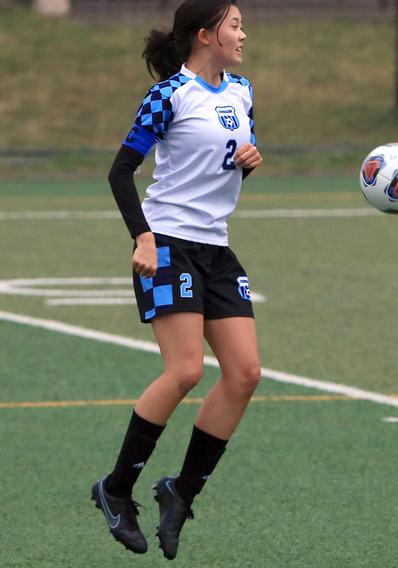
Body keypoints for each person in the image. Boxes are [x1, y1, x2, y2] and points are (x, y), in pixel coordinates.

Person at [91, 0, 263, 560]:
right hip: (166, 243)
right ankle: (115, 489)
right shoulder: (170, 94)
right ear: (205, 34)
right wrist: (142, 237)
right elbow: (121, 172)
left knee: (244, 374)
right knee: (186, 369)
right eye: (234, 24)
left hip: (216, 248)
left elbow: (220, 163)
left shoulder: (241, 92)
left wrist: (246, 159)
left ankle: (180, 491)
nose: (243, 33)